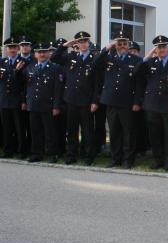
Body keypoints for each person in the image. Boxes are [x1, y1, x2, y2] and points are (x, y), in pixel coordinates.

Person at [93, 31, 143, 169]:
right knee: (114, 132)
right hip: (111, 101)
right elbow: (95, 63)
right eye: (119, 43)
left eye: (124, 43)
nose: (122, 46)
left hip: (127, 102)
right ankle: (116, 158)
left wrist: (137, 102)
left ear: (128, 45)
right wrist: (108, 47)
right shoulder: (109, 58)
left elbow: (139, 84)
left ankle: (128, 159)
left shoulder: (136, 60)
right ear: (115, 45)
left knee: (128, 133)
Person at [51, 31, 98, 165]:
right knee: (72, 130)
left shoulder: (94, 58)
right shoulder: (70, 56)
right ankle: (71, 154)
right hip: (71, 99)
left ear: (88, 42)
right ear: (76, 44)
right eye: (80, 42)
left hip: (86, 100)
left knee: (87, 130)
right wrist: (65, 46)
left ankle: (89, 155)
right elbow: (54, 58)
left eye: (85, 41)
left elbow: (97, 82)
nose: (83, 44)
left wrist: (95, 101)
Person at [139, 35, 168, 170]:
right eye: (159, 47)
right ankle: (158, 160)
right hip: (152, 105)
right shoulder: (150, 63)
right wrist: (148, 56)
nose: (162, 49)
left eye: (164, 46)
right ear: (155, 49)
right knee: (154, 135)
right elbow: (136, 71)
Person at [21, 42, 63, 163]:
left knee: (50, 132)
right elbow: (25, 87)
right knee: (35, 131)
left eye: (44, 51)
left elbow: (57, 89)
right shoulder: (30, 67)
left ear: (49, 53)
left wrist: (56, 106)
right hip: (33, 104)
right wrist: (25, 101)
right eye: (39, 52)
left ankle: (52, 154)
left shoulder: (55, 68)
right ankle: (37, 153)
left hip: (48, 105)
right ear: (35, 54)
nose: (42, 54)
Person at [0, 38, 25, 157]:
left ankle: (21, 150)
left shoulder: (23, 61)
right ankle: (8, 150)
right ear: (6, 49)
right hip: (4, 99)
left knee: (19, 127)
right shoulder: (2, 62)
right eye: (10, 47)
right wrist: (14, 71)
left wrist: (17, 71)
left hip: (17, 100)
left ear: (18, 48)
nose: (12, 50)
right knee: (6, 127)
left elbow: (24, 82)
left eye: (14, 47)